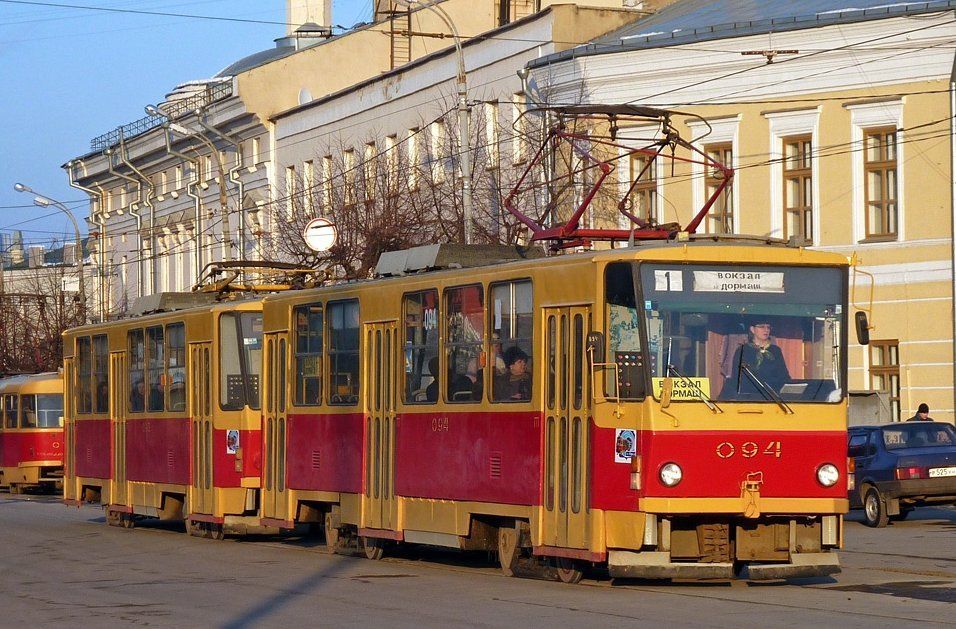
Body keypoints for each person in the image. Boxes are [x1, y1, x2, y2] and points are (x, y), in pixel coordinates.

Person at [721, 319, 791, 398]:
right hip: (749, 397)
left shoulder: (775, 350)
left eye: (768, 327)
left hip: (773, 397)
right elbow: (737, 378)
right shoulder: (743, 350)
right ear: (752, 329)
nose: (766, 330)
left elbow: (784, 376)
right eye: (762, 327)